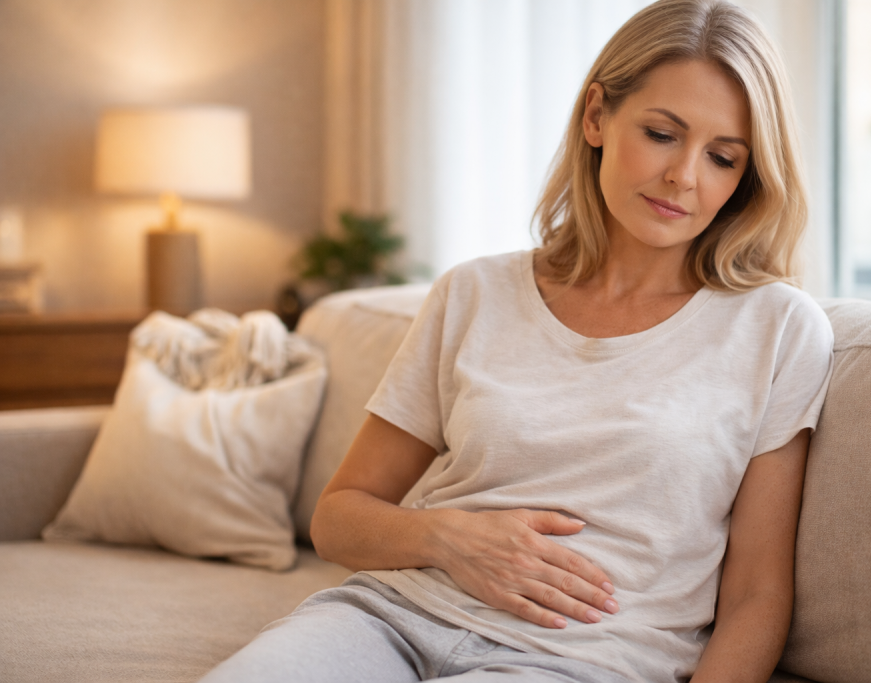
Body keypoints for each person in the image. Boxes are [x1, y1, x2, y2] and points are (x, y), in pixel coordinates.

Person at [201, 0, 833, 681]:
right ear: (597, 116)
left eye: (722, 157)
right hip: (389, 619)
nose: (685, 175)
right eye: (660, 133)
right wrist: (449, 537)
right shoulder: (473, 294)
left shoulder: (777, 329)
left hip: (583, 660)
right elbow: (338, 519)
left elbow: (756, 597)